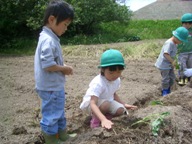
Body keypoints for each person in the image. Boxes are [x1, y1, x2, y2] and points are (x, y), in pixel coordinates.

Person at [34, 0, 75, 143]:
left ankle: (63, 135)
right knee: (52, 114)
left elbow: (52, 61)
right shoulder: (48, 40)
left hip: (53, 86)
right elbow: (47, 65)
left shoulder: (50, 38)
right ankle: (51, 139)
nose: (66, 28)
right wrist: (64, 68)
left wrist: (62, 65)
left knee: (58, 111)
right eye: (65, 24)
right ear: (52, 20)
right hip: (50, 87)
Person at [79, 49, 137, 129]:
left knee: (120, 110)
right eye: (111, 73)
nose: (115, 75)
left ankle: (106, 116)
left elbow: (113, 93)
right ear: (103, 69)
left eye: (119, 72)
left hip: (107, 102)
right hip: (91, 105)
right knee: (105, 105)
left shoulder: (116, 80)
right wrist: (103, 120)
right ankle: (95, 121)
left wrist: (124, 104)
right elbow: (93, 103)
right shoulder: (98, 83)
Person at [155, 27, 189, 96]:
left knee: (172, 77)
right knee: (166, 79)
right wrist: (172, 62)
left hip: (169, 64)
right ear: (177, 38)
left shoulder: (174, 43)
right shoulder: (169, 43)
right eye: (181, 40)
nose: (181, 42)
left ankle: (169, 89)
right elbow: (166, 54)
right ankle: (165, 91)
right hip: (164, 65)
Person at [177, 13, 192, 86]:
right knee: (182, 66)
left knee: (190, 65)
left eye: (190, 23)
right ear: (182, 23)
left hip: (191, 52)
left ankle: (189, 80)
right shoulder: (180, 31)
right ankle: (182, 80)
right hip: (182, 53)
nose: (188, 25)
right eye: (186, 23)